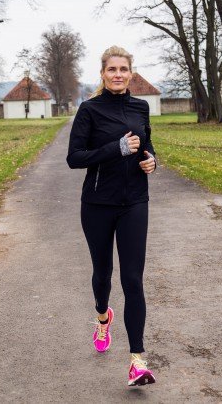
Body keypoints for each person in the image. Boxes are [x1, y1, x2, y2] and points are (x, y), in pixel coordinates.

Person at [66, 45, 157, 386]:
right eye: (112, 69)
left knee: (133, 279)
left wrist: (151, 161)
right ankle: (103, 317)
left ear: (131, 73)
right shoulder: (89, 110)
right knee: (103, 274)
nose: (118, 74)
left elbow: (147, 145)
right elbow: (75, 157)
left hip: (135, 202)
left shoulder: (141, 107)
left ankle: (137, 362)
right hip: (98, 204)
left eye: (123, 69)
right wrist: (115, 149)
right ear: (103, 74)